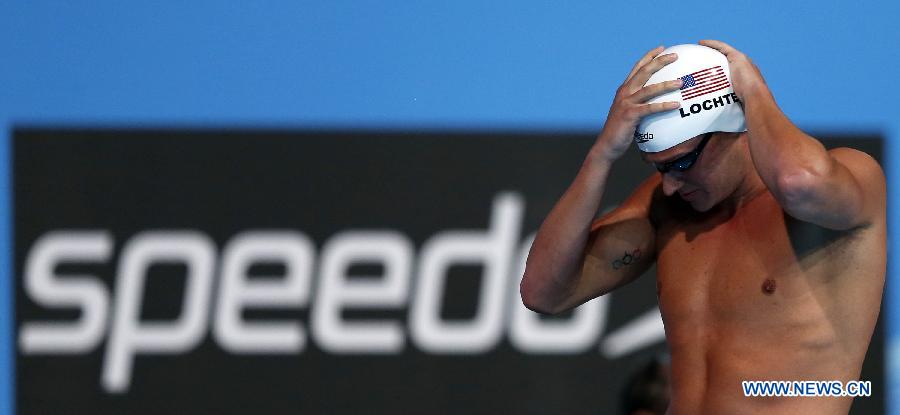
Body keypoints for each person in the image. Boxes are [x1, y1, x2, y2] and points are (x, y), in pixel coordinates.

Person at [520, 40, 886, 415]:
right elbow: (541, 292)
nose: (669, 185)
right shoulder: (667, 207)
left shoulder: (849, 180)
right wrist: (601, 155)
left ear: (733, 123)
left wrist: (753, 93)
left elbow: (798, 183)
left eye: (680, 163)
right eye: (658, 168)